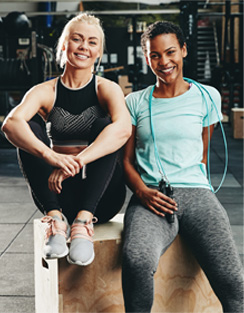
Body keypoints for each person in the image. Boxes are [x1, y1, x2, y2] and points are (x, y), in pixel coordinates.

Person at [122, 20, 244, 313]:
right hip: (151, 196)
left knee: (234, 283)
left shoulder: (207, 96)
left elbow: (200, 154)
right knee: (136, 259)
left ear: (184, 51)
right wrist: (141, 192)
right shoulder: (134, 102)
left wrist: (195, 185)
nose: (164, 62)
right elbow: (125, 161)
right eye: (154, 55)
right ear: (147, 57)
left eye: (170, 52)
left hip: (197, 194)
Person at [2, 13, 131, 266]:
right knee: (26, 128)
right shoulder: (45, 92)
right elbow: (10, 125)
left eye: (92, 42)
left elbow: (124, 130)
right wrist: (51, 156)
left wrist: (77, 161)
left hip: (102, 199)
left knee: (108, 126)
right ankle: (57, 222)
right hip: (58, 196)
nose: (84, 46)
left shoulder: (107, 89)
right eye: (77, 39)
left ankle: (83, 222)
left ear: (98, 52)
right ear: (64, 45)